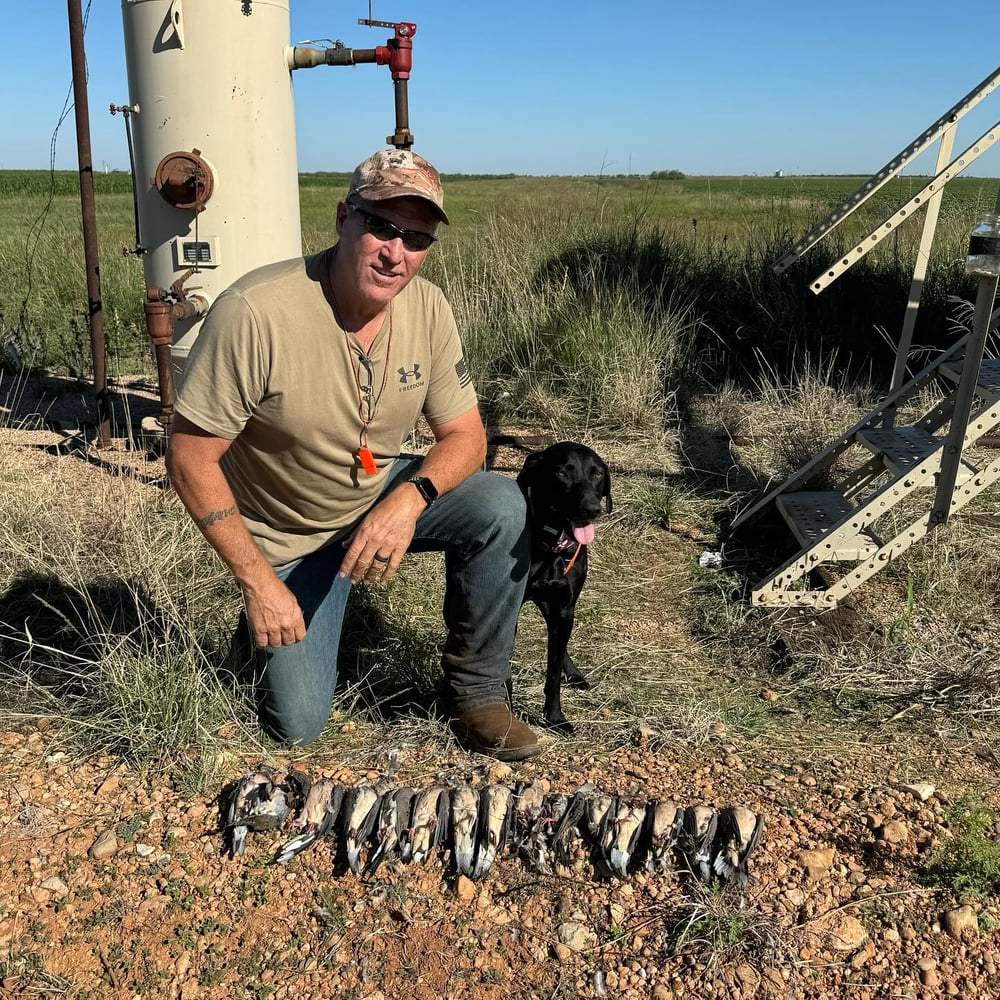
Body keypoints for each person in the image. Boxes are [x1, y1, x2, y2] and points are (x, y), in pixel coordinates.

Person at [165, 148, 539, 761]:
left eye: (416, 238)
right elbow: (189, 457)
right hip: (288, 534)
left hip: (373, 492)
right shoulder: (256, 313)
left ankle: (477, 696)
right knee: (299, 728)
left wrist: (409, 500)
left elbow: (467, 437)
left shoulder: (430, 308)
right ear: (344, 217)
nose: (397, 252)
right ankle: (265, 622)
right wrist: (259, 582)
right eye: (381, 226)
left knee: (500, 501)